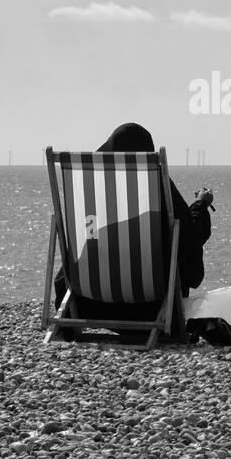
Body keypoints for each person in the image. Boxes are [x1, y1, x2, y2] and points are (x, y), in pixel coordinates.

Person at [52, 122, 213, 339]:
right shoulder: (156, 181)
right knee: (175, 239)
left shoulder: (94, 191)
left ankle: (68, 318)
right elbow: (188, 236)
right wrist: (200, 205)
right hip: (150, 305)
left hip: (87, 300)